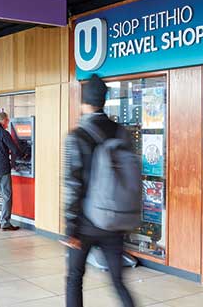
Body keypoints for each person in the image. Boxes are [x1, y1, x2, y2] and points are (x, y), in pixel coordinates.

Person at [63, 75, 136, 307]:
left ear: (85, 102)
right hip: (114, 220)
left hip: (85, 223)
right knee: (118, 281)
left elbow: (73, 185)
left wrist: (70, 227)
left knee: (74, 278)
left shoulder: (77, 135)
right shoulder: (122, 132)